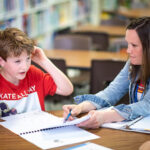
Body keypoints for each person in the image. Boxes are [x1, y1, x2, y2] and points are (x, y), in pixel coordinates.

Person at [63, 17, 150, 129]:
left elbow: (147, 105)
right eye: (128, 44)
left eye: (134, 45)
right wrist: (81, 107)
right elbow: (112, 91)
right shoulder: (133, 63)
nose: (128, 50)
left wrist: (104, 116)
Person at [0, 27, 73, 117]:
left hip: (37, 130)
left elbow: (67, 90)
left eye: (28, 59)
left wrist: (43, 61)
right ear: (1, 61)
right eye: (17, 61)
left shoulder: (33, 74)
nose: (25, 66)